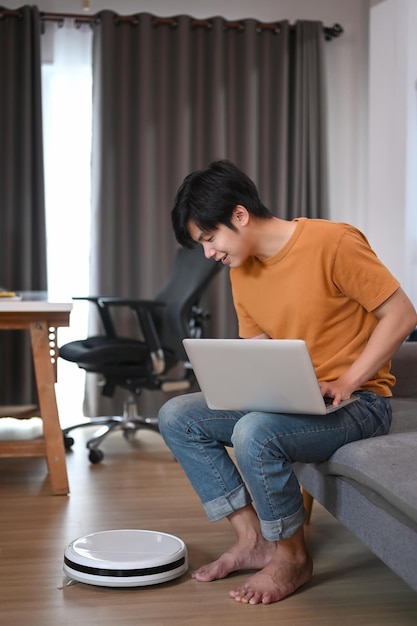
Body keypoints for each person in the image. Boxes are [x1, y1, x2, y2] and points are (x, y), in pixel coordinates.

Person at [158, 160, 417, 605]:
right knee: (179, 415)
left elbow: (402, 315)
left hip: (360, 403)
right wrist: (250, 387)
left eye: (209, 238)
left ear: (239, 216)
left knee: (254, 432)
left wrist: (349, 379)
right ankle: (252, 539)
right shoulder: (242, 272)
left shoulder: (333, 241)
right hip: (295, 400)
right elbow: (260, 353)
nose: (208, 254)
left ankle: (292, 557)